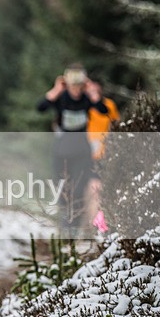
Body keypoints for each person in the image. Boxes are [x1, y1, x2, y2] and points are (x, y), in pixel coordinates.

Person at [38, 64, 108, 236]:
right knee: (62, 189)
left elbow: (103, 110)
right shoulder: (61, 98)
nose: (76, 90)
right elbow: (41, 107)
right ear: (67, 84)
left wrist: (93, 94)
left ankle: (76, 228)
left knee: (78, 190)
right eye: (72, 85)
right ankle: (66, 225)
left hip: (82, 152)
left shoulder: (86, 99)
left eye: (79, 85)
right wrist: (55, 90)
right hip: (62, 151)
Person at [85, 83, 120, 228]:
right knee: (89, 191)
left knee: (99, 190)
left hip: (106, 153)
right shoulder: (84, 106)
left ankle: (99, 225)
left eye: (94, 89)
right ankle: (92, 224)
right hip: (86, 154)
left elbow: (116, 123)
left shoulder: (108, 105)